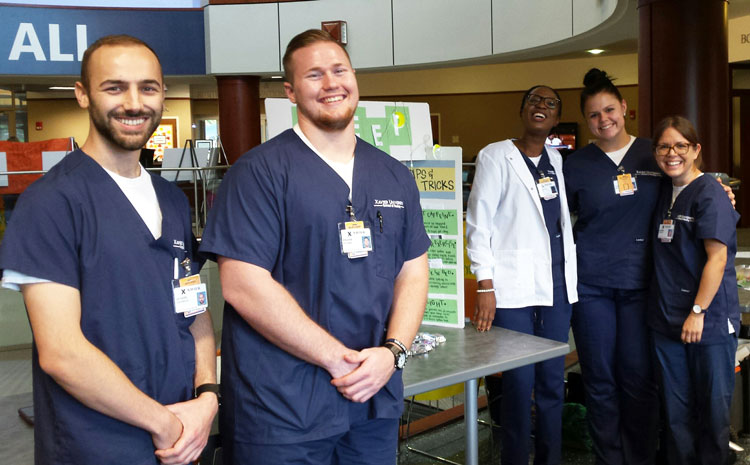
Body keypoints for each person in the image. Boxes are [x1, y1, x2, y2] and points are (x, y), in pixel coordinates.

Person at [200, 29, 430, 465]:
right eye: (314, 75)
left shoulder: (394, 175)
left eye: (339, 70)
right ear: (290, 91)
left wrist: (393, 352)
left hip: (372, 400)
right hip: (282, 409)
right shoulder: (259, 174)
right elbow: (242, 284)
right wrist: (337, 360)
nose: (331, 84)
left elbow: (413, 271)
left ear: (355, 77)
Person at [0, 35, 218, 465]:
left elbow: (195, 310)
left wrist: (207, 396)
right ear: (83, 95)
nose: (134, 103)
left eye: (148, 88)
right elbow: (62, 353)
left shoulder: (172, 200)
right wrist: (165, 423)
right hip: (98, 443)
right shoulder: (51, 203)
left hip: (182, 433)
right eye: (114, 87)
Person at [466, 85, 578, 465]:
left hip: (556, 285)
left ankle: (550, 458)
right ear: (522, 109)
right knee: (517, 383)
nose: (541, 107)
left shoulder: (556, 159)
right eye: (534, 100)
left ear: (557, 118)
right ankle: (514, 458)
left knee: (551, 381)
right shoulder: (496, 156)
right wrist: (485, 283)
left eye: (550, 104)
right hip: (510, 287)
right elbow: (478, 223)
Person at [563, 68, 661, 465]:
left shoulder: (653, 153)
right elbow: (551, 219)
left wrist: (720, 191)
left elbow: (690, 185)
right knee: (600, 379)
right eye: (594, 115)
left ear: (624, 108)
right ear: (587, 121)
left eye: (609, 110)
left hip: (642, 284)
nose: (604, 120)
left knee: (638, 378)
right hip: (591, 287)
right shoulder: (576, 165)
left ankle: (639, 457)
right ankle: (609, 459)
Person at [649, 116, 739, 465]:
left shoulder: (712, 194)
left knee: (712, 416)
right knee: (675, 414)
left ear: (696, 149)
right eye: (664, 146)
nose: (672, 154)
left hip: (708, 323)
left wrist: (697, 312)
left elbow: (717, 258)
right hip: (666, 320)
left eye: (681, 146)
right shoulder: (663, 190)